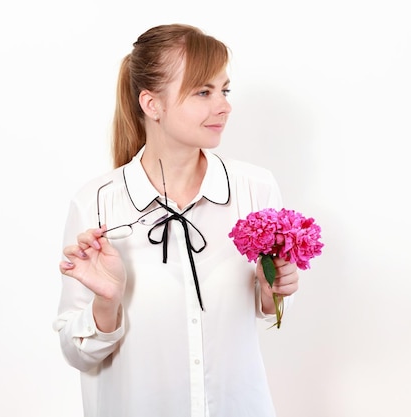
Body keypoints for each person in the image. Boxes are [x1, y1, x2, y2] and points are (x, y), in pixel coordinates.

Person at [52, 23, 300, 417]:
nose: (224, 105)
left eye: (224, 90)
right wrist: (106, 302)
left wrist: (273, 294)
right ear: (152, 105)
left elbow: (260, 307)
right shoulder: (97, 204)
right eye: (203, 92)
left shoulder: (255, 188)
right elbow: (77, 354)